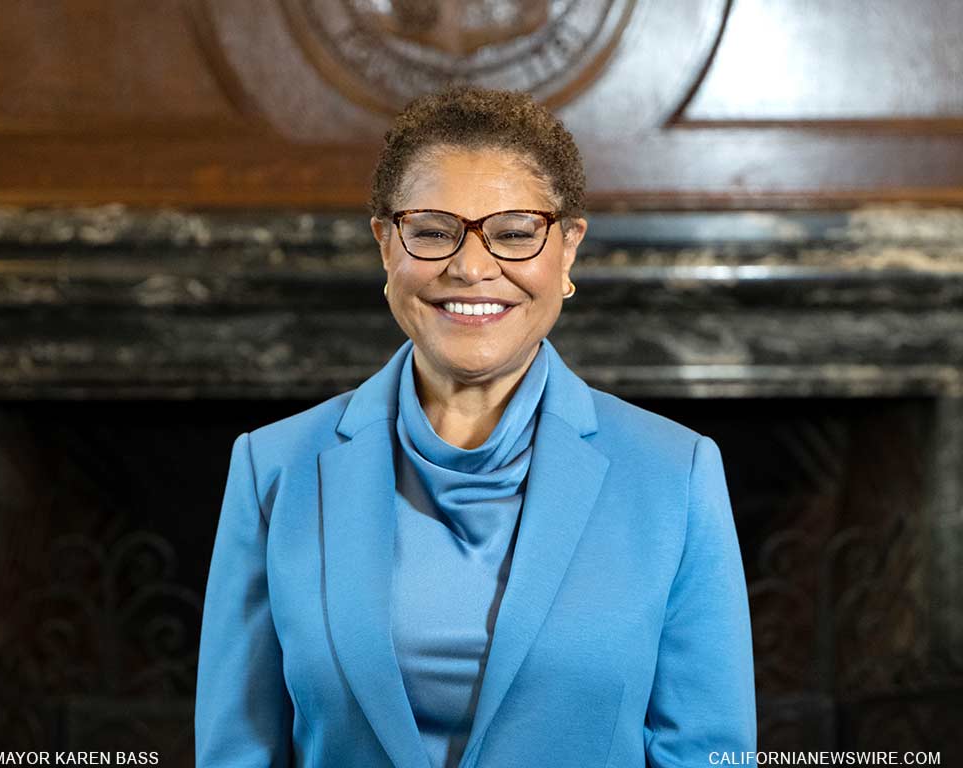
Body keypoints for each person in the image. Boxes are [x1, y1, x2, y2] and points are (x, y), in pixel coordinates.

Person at [194, 83, 756, 768]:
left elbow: (708, 755)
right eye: (432, 231)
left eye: (515, 233)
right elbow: (237, 753)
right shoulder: (271, 468)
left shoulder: (676, 473)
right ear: (385, 245)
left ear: (569, 248)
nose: (470, 267)